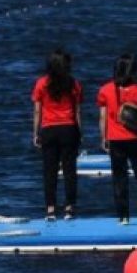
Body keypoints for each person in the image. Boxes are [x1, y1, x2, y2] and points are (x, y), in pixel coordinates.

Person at [97, 53, 137, 225]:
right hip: (135, 139)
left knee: (119, 178)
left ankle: (123, 216)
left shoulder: (105, 90)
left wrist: (104, 137)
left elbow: (102, 117)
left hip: (115, 139)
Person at [32, 48, 82, 221]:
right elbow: (77, 112)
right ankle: (69, 207)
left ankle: (50, 209)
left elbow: (38, 111)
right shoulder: (73, 83)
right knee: (69, 170)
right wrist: (79, 133)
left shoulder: (41, 83)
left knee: (49, 171)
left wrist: (36, 133)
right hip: (68, 128)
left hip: (49, 129)